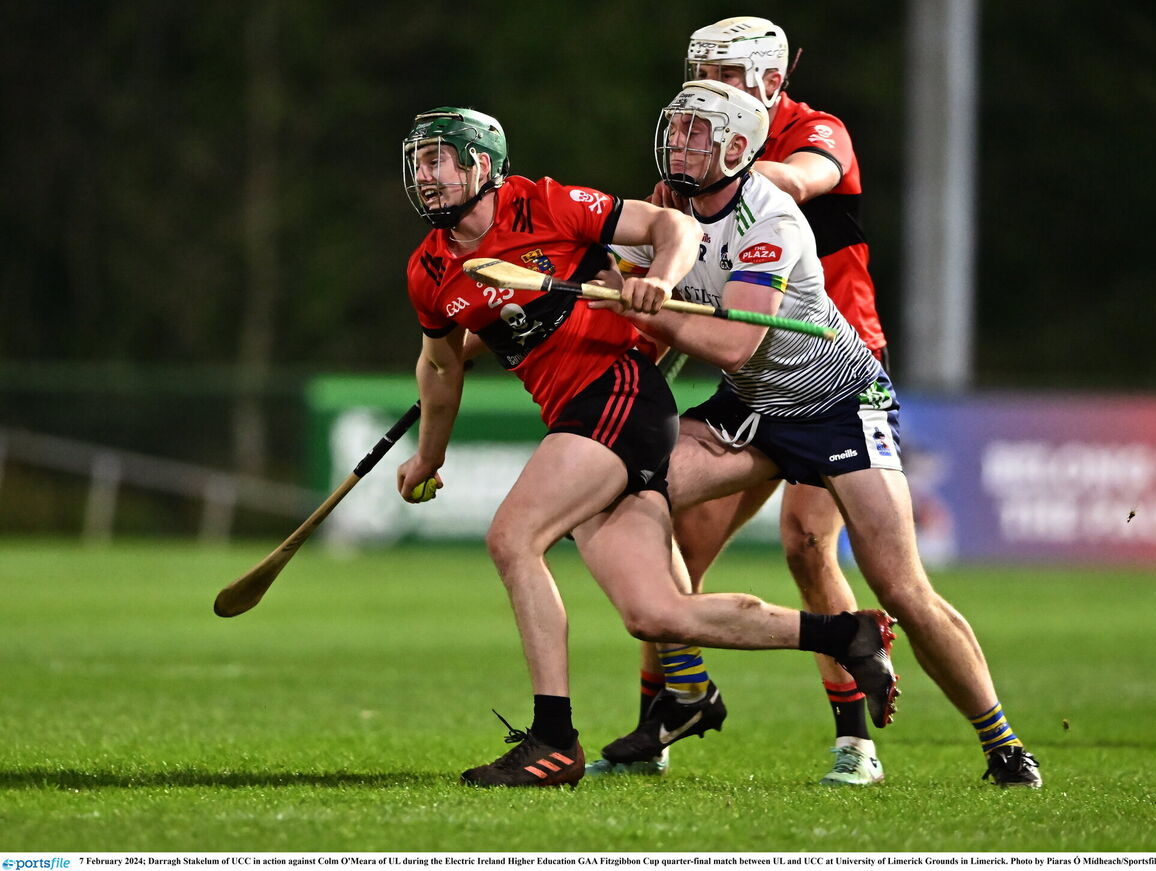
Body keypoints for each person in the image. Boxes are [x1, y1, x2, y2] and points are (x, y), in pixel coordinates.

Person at [395, 106, 900, 788]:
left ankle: (553, 739)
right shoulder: (428, 269)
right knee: (655, 612)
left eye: (438, 161)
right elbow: (441, 366)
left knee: (513, 537)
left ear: (480, 165)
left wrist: (658, 279)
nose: (424, 177)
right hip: (576, 412)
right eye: (418, 163)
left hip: (617, 392)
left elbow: (674, 225)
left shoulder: (545, 203)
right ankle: (845, 635)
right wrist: (430, 454)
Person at [591, 80, 1042, 789]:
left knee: (899, 584)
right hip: (754, 410)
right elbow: (639, 298)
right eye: (676, 129)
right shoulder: (667, 206)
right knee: (629, 493)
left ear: (738, 146)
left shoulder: (772, 219)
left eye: (697, 133)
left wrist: (650, 311)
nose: (679, 143)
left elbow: (734, 342)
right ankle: (685, 691)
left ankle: (1004, 744)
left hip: (839, 405)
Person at [591, 14, 894, 787]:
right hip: (747, 375)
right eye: (700, 77)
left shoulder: (813, 130)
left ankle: (855, 741)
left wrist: (717, 176)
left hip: (829, 366)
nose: (708, 94)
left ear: (766, 79)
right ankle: (666, 714)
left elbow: (799, 179)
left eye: (725, 80)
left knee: (806, 546)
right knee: (668, 535)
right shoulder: (697, 144)